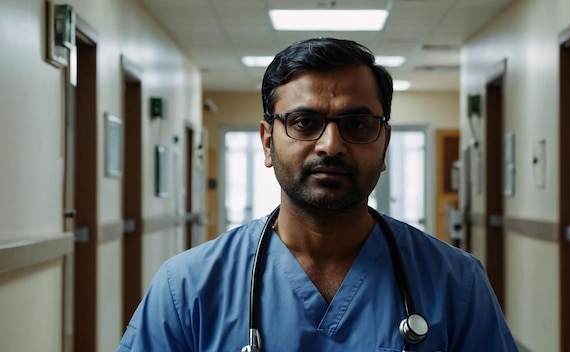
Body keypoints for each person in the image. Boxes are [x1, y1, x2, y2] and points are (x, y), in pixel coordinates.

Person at [118, 37, 518, 352]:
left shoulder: (456, 283)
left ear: (384, 143)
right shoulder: (188, 287)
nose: (330, 145)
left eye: (357, 124)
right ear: (267, 142)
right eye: (304, 122)